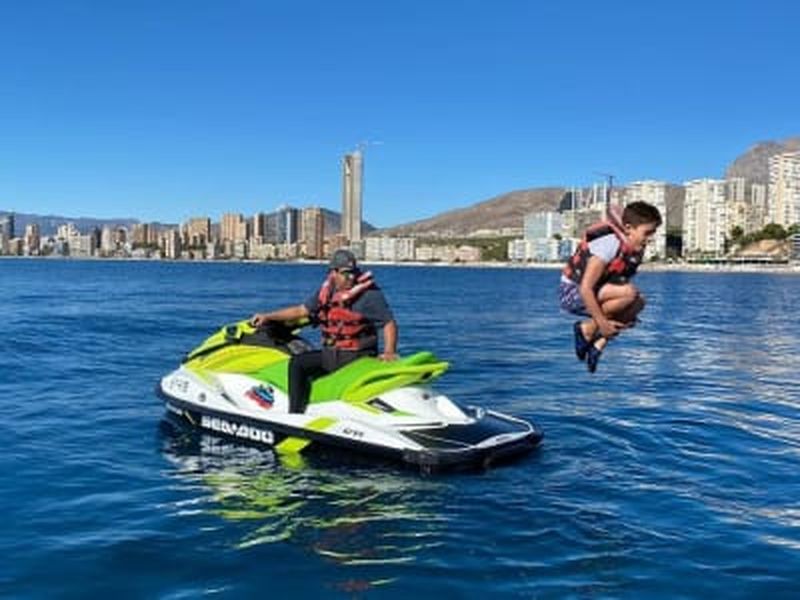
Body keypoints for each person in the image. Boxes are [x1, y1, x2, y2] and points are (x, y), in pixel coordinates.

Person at [250, 249, 398, 413]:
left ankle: (295, 415)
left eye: (353, 272)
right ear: (333, 272)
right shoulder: (328, 292)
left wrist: (389, 351)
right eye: (345, 273)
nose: (351, 277)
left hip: (355, 356)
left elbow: (388, 322)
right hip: (335, 354)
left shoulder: (369, 295)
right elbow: (301, 310)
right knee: (306, 359)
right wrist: (268, 316)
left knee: (297, 364)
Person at [559, 201, 662, 373]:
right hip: (571, 293)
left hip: (597, 292)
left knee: (639, 303)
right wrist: (602, 322)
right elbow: (586, 288)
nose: (651, 238)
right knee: (629, 293)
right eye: (647, 232)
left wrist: (627, 313)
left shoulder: (636, 250)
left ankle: (598, 343)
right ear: (628, 228)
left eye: (654, 232)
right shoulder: (609, 244)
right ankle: (585, 329)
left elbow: (619, 281)